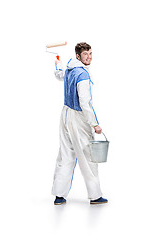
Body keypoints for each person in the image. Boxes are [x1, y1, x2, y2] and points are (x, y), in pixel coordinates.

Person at [51, 42, 108, 205]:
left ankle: (59, 196)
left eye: (90, 53)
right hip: (78, 117)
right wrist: (94, 124)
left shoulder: (69, 69)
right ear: (78, 56)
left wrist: (58, 65)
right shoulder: (82, 75)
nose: (89, 57)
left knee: (65, 155)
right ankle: (95, 196)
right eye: (85, 54)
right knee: (88, 156)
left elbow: (59, 75)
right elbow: (85, 102)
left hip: (65, 114)